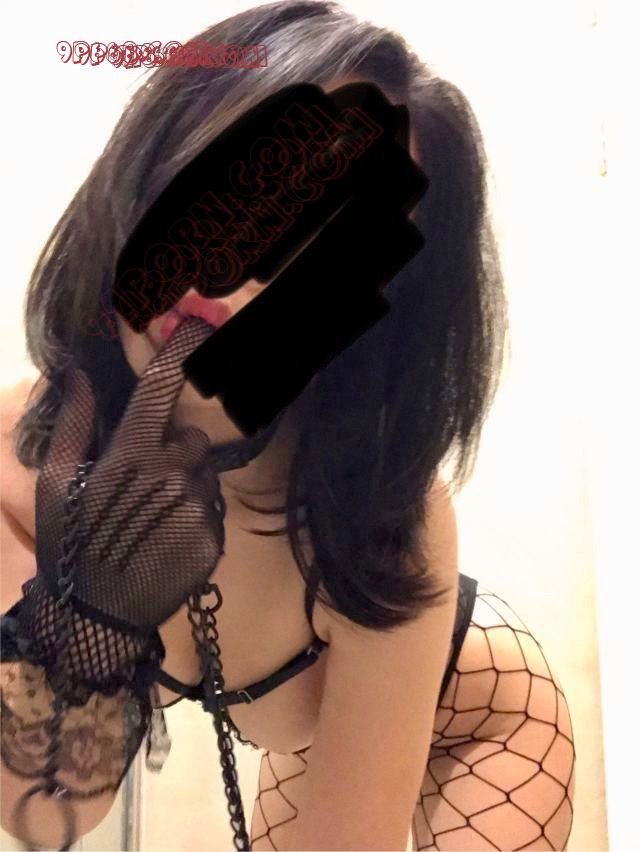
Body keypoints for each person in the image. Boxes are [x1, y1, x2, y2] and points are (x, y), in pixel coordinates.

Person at [0, 2, 576, 849]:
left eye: (333, 243)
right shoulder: (20, 458)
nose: (241, 267)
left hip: (485, 717)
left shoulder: (380, 511)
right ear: (157, 159)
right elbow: (46, 810)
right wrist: (92, 611)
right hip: (303, 741)